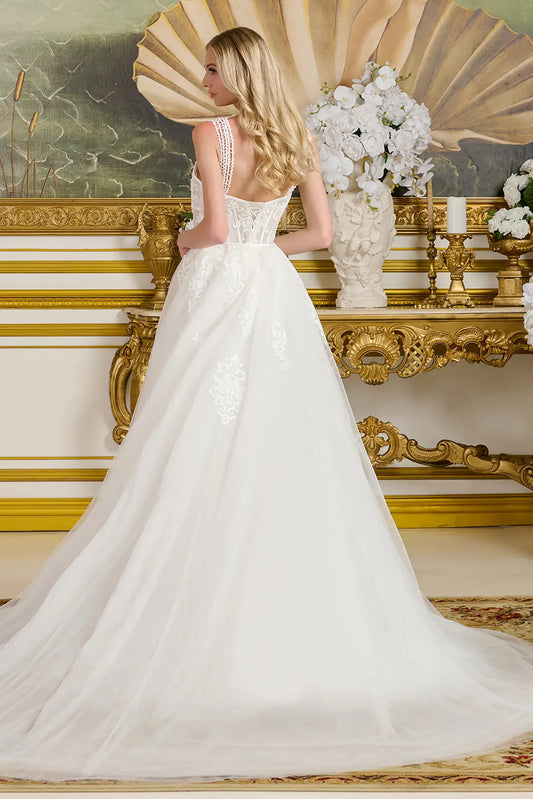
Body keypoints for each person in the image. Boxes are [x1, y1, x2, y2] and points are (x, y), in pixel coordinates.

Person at [0, 25, 532, 785]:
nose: (207, 80)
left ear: (236, 73)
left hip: (216, 285)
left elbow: (214, 228)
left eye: (214, 68)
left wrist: (193, 246)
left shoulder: (208, 131)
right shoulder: (293, 137)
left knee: (190, 435)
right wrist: (259, 255)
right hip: (271, 293)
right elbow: (316, 232)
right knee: (279, 440)